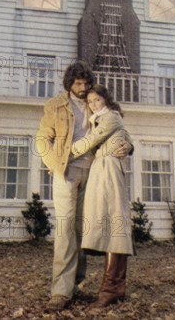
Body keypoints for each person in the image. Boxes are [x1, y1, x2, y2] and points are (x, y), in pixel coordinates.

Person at [36, 61, 130, 311]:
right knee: (65, 229)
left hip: (94, 174)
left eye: (86, 83)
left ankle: (75, 286)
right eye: (78, 83)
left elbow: (118, 128)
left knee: (83, 229)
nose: (82, 87)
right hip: (66, 173)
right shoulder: (55, 105)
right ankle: (60, 292)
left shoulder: (95, 103)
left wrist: (128, 147)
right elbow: (42, 139)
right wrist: (55, 162)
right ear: (69, 83)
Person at [70, 84, 133, 308]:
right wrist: (128, 145)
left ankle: (110, 290)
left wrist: (61, 155)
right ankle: (115, 287)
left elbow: (91, 141)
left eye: (97, 100)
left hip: (108, 170)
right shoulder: (98, 119)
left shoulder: (110, 117)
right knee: (106, 226)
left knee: (114, 225)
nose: (94, 104)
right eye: (90, 101)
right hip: (100, 171)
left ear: (105, 99)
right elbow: (126, 138)